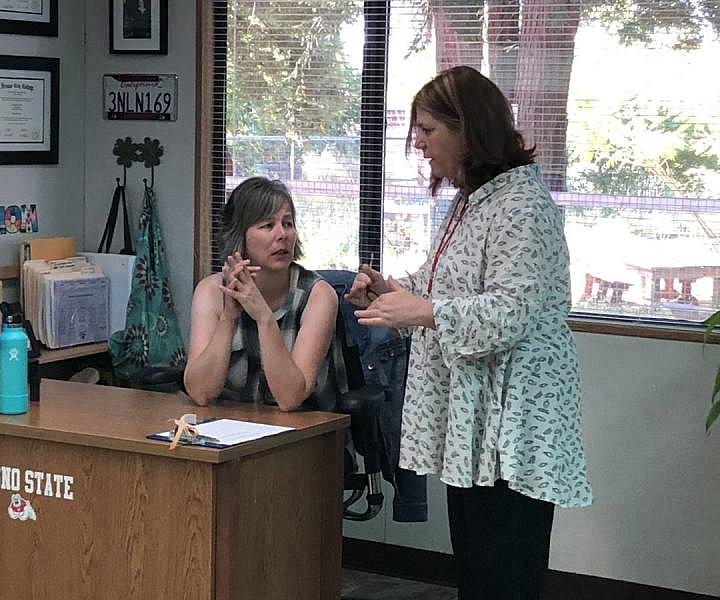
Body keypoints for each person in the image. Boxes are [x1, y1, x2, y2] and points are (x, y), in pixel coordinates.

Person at [346, 66, 593, 600]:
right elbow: (445, 285)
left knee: (504, 566)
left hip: (513, 416)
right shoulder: (472, 199)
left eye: (428, 129)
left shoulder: (521, 205)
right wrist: (391, 291)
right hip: (479, 415)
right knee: (477, 564)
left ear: (468, 130)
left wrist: (423, 312)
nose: (418, 141)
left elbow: (513, 310)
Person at [183, 176, 338, 412]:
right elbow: (200, 393)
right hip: (234, 430)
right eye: (267, 225)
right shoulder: (211, 291)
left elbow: (290, 398)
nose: (282, 235)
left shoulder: (318, 296)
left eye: (287, 224)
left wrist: (264, 318)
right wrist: (228, 317)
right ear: (240, 235)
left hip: (306, 435)